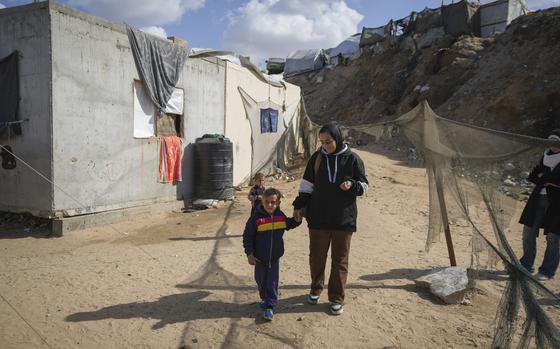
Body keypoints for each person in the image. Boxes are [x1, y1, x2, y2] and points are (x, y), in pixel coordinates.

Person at [292, 122, 368, 315]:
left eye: (329, 142)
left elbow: (364, 186)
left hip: (344, 219)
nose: (325, 146)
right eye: (322, 142)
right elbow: (307, 186)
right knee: (316, 257)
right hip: (318, 219)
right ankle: (316, 289)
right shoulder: (317, 159)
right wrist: (299, 206)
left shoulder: (353, 159)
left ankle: (336, 297)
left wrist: (352, 185)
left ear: (338, 138)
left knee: (340, 260)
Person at [243, 188, 301, 321]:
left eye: (273, 202)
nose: (270, 205)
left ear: (278, 202)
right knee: (260, 280)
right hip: (259, 258)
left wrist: (297, 220)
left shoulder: (280, 216)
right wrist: (249, 253)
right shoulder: (256, 218)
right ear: (262, 201)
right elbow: (248, 236)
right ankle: (264, 297)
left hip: (274, 258)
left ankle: (270, 306)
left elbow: (289, 224)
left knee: (272, 281)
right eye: (267, 202)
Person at [519, 129, 560, 280]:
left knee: (553, 237)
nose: (553, 145)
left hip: (556, 203)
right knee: (528, 232)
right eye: (551, 142)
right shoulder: (545, 156)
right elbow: (533, 176)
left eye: (556, 142)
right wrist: (549, 179)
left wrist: (548, 178)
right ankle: (526, 264)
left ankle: (547, 271)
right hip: (537, 199)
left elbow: (547, 178)